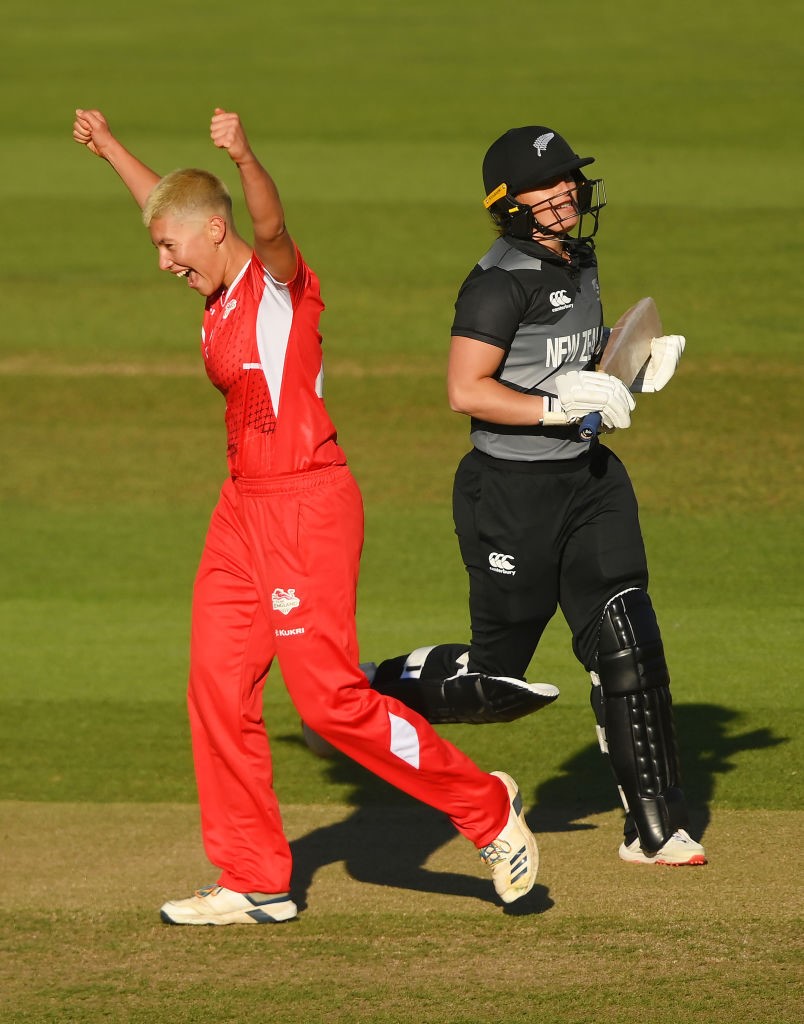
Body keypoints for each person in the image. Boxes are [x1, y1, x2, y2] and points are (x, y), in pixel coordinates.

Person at [72, 107, 541, 923]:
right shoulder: (212, 285)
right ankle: (254, 878)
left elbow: (268, 223)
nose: (162, 263)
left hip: (307, 505)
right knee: (216, 688)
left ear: (216, 233)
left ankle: (486, 810)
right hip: (241, 510)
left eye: (171, 250)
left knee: (329, 702)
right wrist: (112, 148)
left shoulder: (281, 289)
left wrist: (247, 155)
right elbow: (172, 206)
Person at [356, 125, 706, 867]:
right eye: (546, 188)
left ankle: (653, 828)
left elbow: (572, 360)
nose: (565, 195)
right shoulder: (497, 282)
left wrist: (632, 356)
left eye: (570, 182)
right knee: (496, 683)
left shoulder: (577, 258)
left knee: (628, 639)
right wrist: (557, 408)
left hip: (587, 481)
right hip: (510, 494)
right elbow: (465, 390)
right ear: (507, 204)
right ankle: (368, 687)